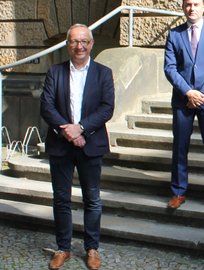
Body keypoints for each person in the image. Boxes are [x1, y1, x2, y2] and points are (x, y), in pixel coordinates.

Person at [40, 24, 115, 269]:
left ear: (91, 44)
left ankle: (92, 248)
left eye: (84, 41)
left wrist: (81, 128)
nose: (79, 46)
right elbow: (46, 107)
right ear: (67, 45)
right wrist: (69, 132)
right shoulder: (55, 72)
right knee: (61, 199)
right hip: (61, 145)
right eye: (74, 41)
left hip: (91, 144)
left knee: (92, 199)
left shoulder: (103, 73)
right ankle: (63, 248)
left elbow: (106, 108)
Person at [164, 0, 204, 211]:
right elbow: (170, 68)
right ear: (183, 7)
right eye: (188, 4)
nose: (192, 8)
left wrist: (202, 93)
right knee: (180, 146)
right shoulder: (174, 34)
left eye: (196, 4)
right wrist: (188, 92)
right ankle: (178, 192)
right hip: (183, 98)